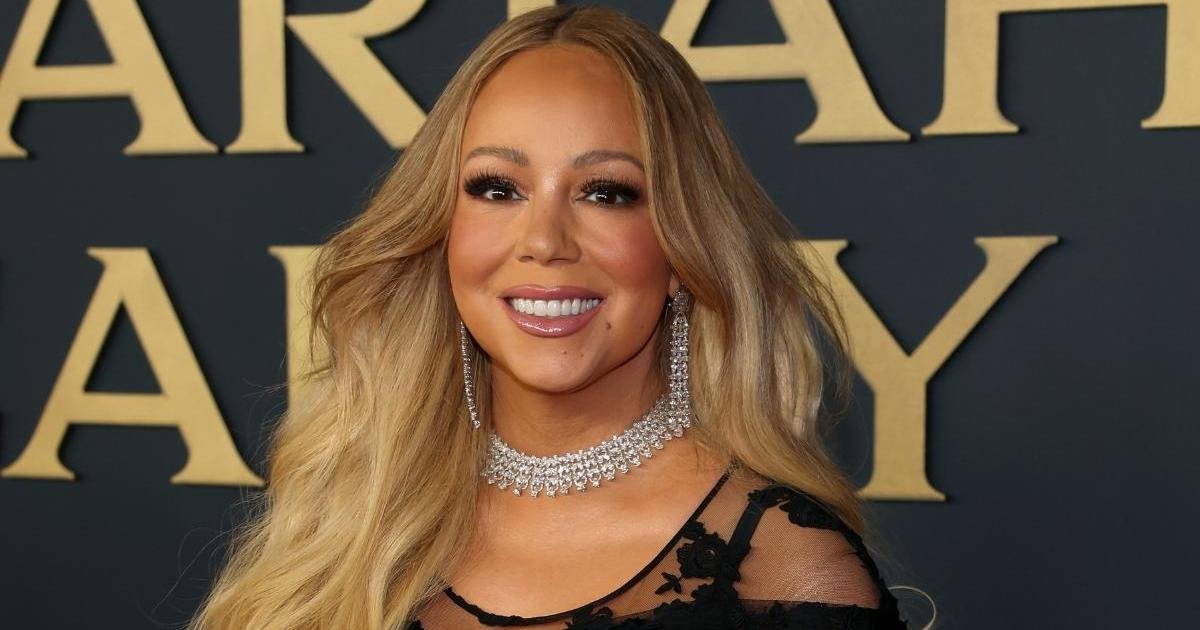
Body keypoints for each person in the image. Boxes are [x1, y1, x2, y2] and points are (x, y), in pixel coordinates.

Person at [191, 5, 908, 629]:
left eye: (606, 192)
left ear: (681, 248)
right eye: (498, 188)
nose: (543, 241)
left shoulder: (783, 570)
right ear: (442, 233)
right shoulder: (346, 529)